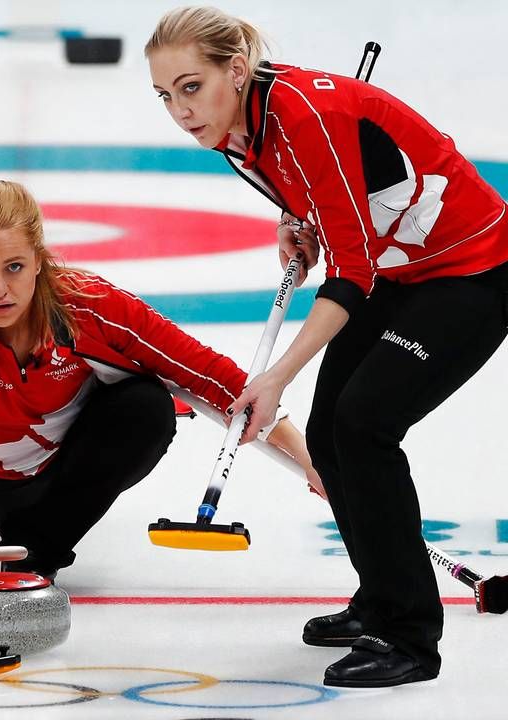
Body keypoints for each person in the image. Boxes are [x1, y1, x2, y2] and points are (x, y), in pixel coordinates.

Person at [145, 7, 508, 688]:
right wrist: (297, 216)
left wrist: (277, 374)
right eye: (166, 95)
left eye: (191, 87)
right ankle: (380, 597)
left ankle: (409, 638)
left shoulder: (305, 114)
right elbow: (334, 205)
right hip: (399, 271)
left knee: (363, 425)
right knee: (333, 434)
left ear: (235, 69)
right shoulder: (236, 130)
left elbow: (351, 274)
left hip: (472, 273)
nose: (180, 111)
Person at [0, 179, 322, 582]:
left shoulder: (87, 305)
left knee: (146, 408)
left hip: (78, 465)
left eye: (14, 267)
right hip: (2, 484)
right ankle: (32, 544)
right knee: (15, 517)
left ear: (39, 261)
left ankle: (34, 554)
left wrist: (314, 462)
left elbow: (205, 372)